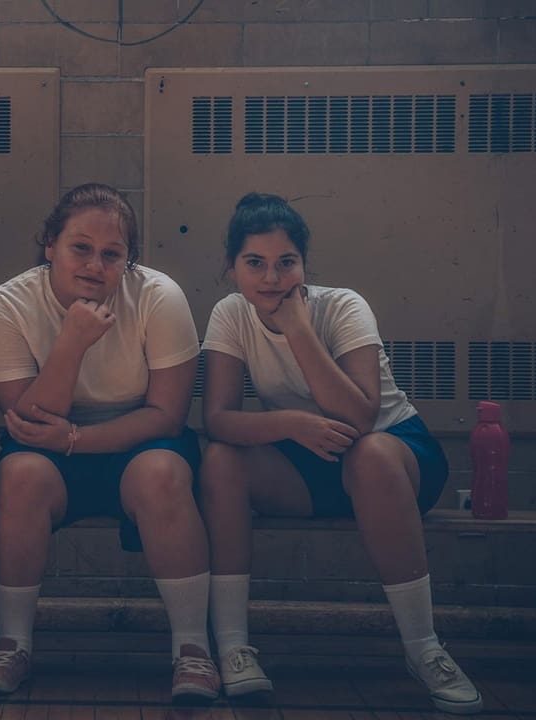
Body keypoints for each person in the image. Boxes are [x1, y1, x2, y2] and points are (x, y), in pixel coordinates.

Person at [198, 192, 482, 714]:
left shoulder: (344, 306)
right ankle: (234, 648)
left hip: (394, 456)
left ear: (304, 265)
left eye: (286, 262)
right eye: (255, 263)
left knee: (370, 455)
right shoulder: (230, 314)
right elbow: (216, 419)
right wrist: (290, 423)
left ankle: (425, 649)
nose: (272, 278)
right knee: (218, 459)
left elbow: (360, 418)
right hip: (305, 457)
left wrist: (298, 329)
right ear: (231, 267)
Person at [0, 183, 220, 702]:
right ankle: (12, 643)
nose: (95, 265)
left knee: (162, 474)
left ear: (130, 260)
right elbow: (26, 420)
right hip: (47, 447)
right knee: (20, 473)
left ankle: (193, 648)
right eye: (80, 248)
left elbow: (168, 415)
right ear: (49, 245)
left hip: (139, 442)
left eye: (112, 254)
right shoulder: (8, 304)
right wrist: (72, 341)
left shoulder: (158, 296)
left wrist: (75, 439)